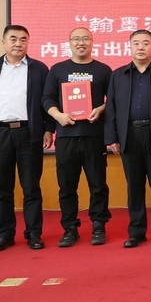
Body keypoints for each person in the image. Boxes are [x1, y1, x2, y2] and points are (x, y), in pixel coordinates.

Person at [0, 25, 54, 251]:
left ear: (28, 43)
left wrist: (49, 129)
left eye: (23, 39)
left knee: (31, 187)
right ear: (4, 43)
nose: (18, 43)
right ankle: (4, 234)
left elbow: (48, 101)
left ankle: (34, 234)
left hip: (29, 133)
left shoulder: (39, 69)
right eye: (13, 39)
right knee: (3, 188)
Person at [104, 30, 151, 248]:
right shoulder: (118, 75)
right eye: (136, 43)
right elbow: (111, 108)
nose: (141, 47)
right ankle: (136, 232)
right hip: (129, 136)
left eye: (145, 43)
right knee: (134, 187)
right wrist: (112, 137)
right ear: (130, 46)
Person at [42, 27, 113, 246]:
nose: (81, 43)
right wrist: (58, 115)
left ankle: (98, 226)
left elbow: (113, 99)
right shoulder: (57, 69)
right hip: (66, 137)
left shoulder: (103, 70)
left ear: (92, 42)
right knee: (67, 186)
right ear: (69, 42)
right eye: (76, 39)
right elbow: (47, 98)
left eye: (85, 39)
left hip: (94, 136)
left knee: (98, 184)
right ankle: (70, 228)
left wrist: (101, 109)